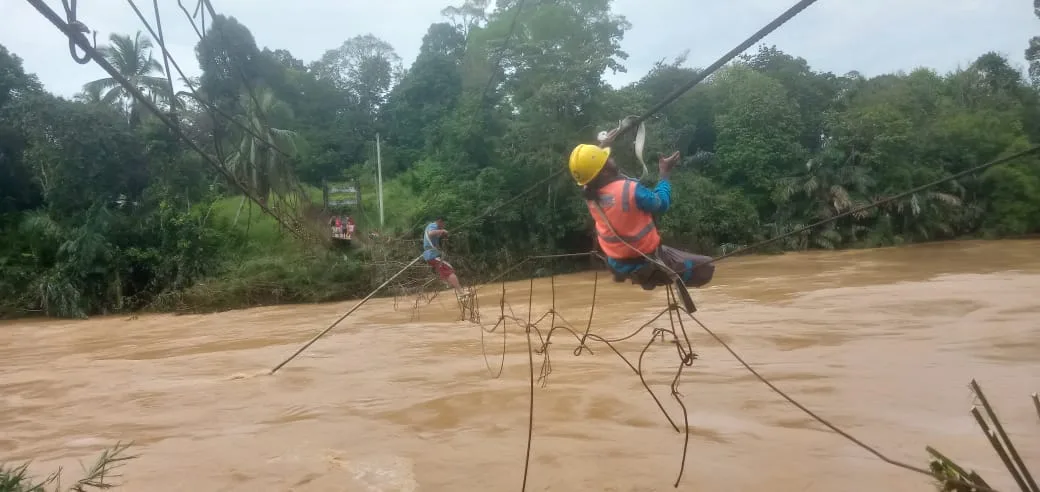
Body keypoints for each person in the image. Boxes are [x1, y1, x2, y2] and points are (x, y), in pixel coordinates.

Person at [567, 137, 715, 291]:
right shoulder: (630, 190)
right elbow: (662, 203)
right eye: (608, 159)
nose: (612, 159)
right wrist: (664, 174)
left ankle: (644, 275)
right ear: (604, 172)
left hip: (616, 263)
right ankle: (655, 275)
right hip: (645, 260)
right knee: (706, 266)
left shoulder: (589, 195)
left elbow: (588, 173)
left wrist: (604, 144)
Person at [423, 217, 471, 298]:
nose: (444, 226)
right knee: (449, 270)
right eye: (443, 224)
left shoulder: (435, 228)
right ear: (440, 221)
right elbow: (431, 233)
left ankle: (459, 291)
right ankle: (461, 292)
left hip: (430, 256)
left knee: (446, 272)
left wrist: (443, 234)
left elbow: (435, 237)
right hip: (432, 255)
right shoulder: (433, 225)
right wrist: (442, 231)